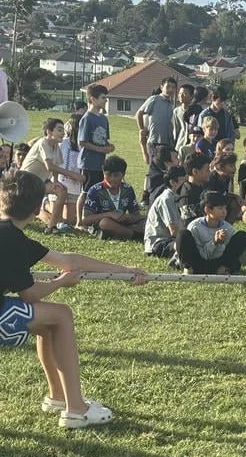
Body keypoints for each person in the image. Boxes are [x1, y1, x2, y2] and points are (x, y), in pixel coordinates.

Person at [0, 171, 147, 428]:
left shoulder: (10, 234)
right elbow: (30, 294)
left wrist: (124, 270)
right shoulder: (11, 239)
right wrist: (61, 282)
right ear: (38, 208)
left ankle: (58, 396)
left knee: (47, 323)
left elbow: (70, 260)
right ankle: (76, 409)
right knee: (62, 314)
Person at [20, 118, 80, 234]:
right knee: (23, 210)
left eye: (63, 130)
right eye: (59, 130)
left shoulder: (56, 146)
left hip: (40, 181)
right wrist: (71, 174)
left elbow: (56, 164)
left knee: (62, 190)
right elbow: (50, 167)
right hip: (25, 180)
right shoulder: (43, 142)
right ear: (49, 131)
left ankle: (52, 226)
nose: (63, 133)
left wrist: (56, 181)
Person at [177, 191, 246, 275]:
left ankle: (222, 269)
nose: (224, 212)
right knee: (183, 234)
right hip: (198, 262)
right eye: (220, 208)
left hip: (218, 263)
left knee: (242, 236)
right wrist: (214, 242)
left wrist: (220, 244)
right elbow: (203, 255)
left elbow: (226, 255)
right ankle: (189, 269)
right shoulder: (195, 227)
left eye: (225, 208)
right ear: (207, 210)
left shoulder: (227, 228)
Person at [76, 84, 115, 230]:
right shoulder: (87, 118)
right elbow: (82, 141)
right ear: (92, 99)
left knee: (98, 192)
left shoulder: (103, 119)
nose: (106, 101)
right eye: (103, 98)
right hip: (89, 162)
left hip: (100, 162)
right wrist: (100, 149)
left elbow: (104, 140)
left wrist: (109, 147)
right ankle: (80, 222)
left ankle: (93, 221)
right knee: (86, 192)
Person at [82, 156, 145, 241]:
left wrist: (126, 217)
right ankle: (135, 236)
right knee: (105, 223)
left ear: (123, 174)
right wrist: (110, 214)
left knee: (146, 220)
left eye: (116, 175)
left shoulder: (128, 189)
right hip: (103, 225)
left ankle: (125, 233)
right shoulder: (95, 190)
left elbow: (135, 214)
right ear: (103, 173)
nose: (112, 179)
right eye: (108, 175)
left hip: (124, 223)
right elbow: (85, 220)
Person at [144, 165, 186, 260]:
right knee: (186, 245)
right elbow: (174, 231)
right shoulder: (167, 199)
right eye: (184, 180)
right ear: (173, 182)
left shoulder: (176, 197)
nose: (186, 184)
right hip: (159, 244)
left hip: (171, 241)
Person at [136, 76, 177, 164]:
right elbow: (139, 114)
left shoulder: (171, 105)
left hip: (168, 143)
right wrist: (142, 129)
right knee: (154, 169)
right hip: (155, 142)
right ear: (162, 87)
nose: (170, 89)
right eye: (168, 87)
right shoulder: (154, 99)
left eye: (173, 88)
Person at [176, 152, 210, 223]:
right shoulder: (187, 196)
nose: (209, 172)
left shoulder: (203, 186)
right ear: (195, 171)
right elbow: (188, 224)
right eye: (207, 169)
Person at [172, 83, 194, 151]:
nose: (181, 96)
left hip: (192, 144)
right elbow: (176, 129)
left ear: (191, 96)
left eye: (184, 93)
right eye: (179, 93)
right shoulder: (176, 111)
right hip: (180, 144)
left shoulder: (195, 110)